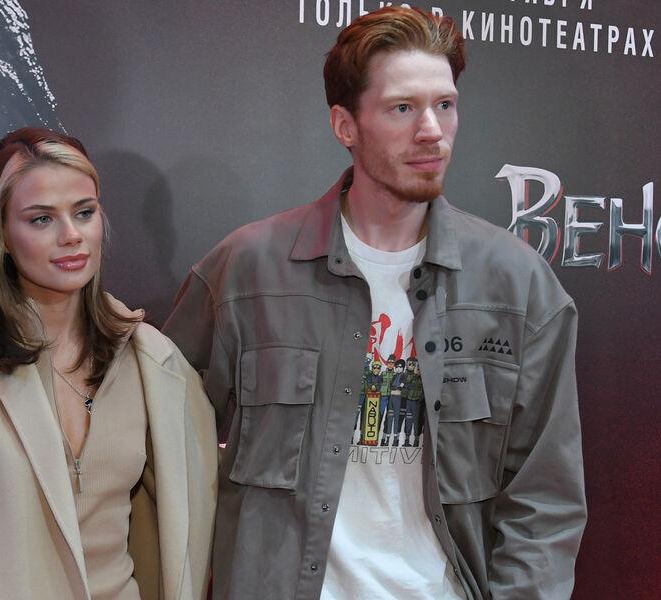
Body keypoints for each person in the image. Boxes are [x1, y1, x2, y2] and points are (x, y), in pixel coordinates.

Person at [163, 7, 586, 600]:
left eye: (445, 104)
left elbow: (544, 500)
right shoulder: (247, 270)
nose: (432, 130)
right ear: (345, 125)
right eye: (402, 108)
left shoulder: (519, 287)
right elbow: (161, 448)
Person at [0, 127, 218, 600]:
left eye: (84, 212)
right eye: (42, 219)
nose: (71, 236)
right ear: (2, 235)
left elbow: (189, 529)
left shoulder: (153, 361)